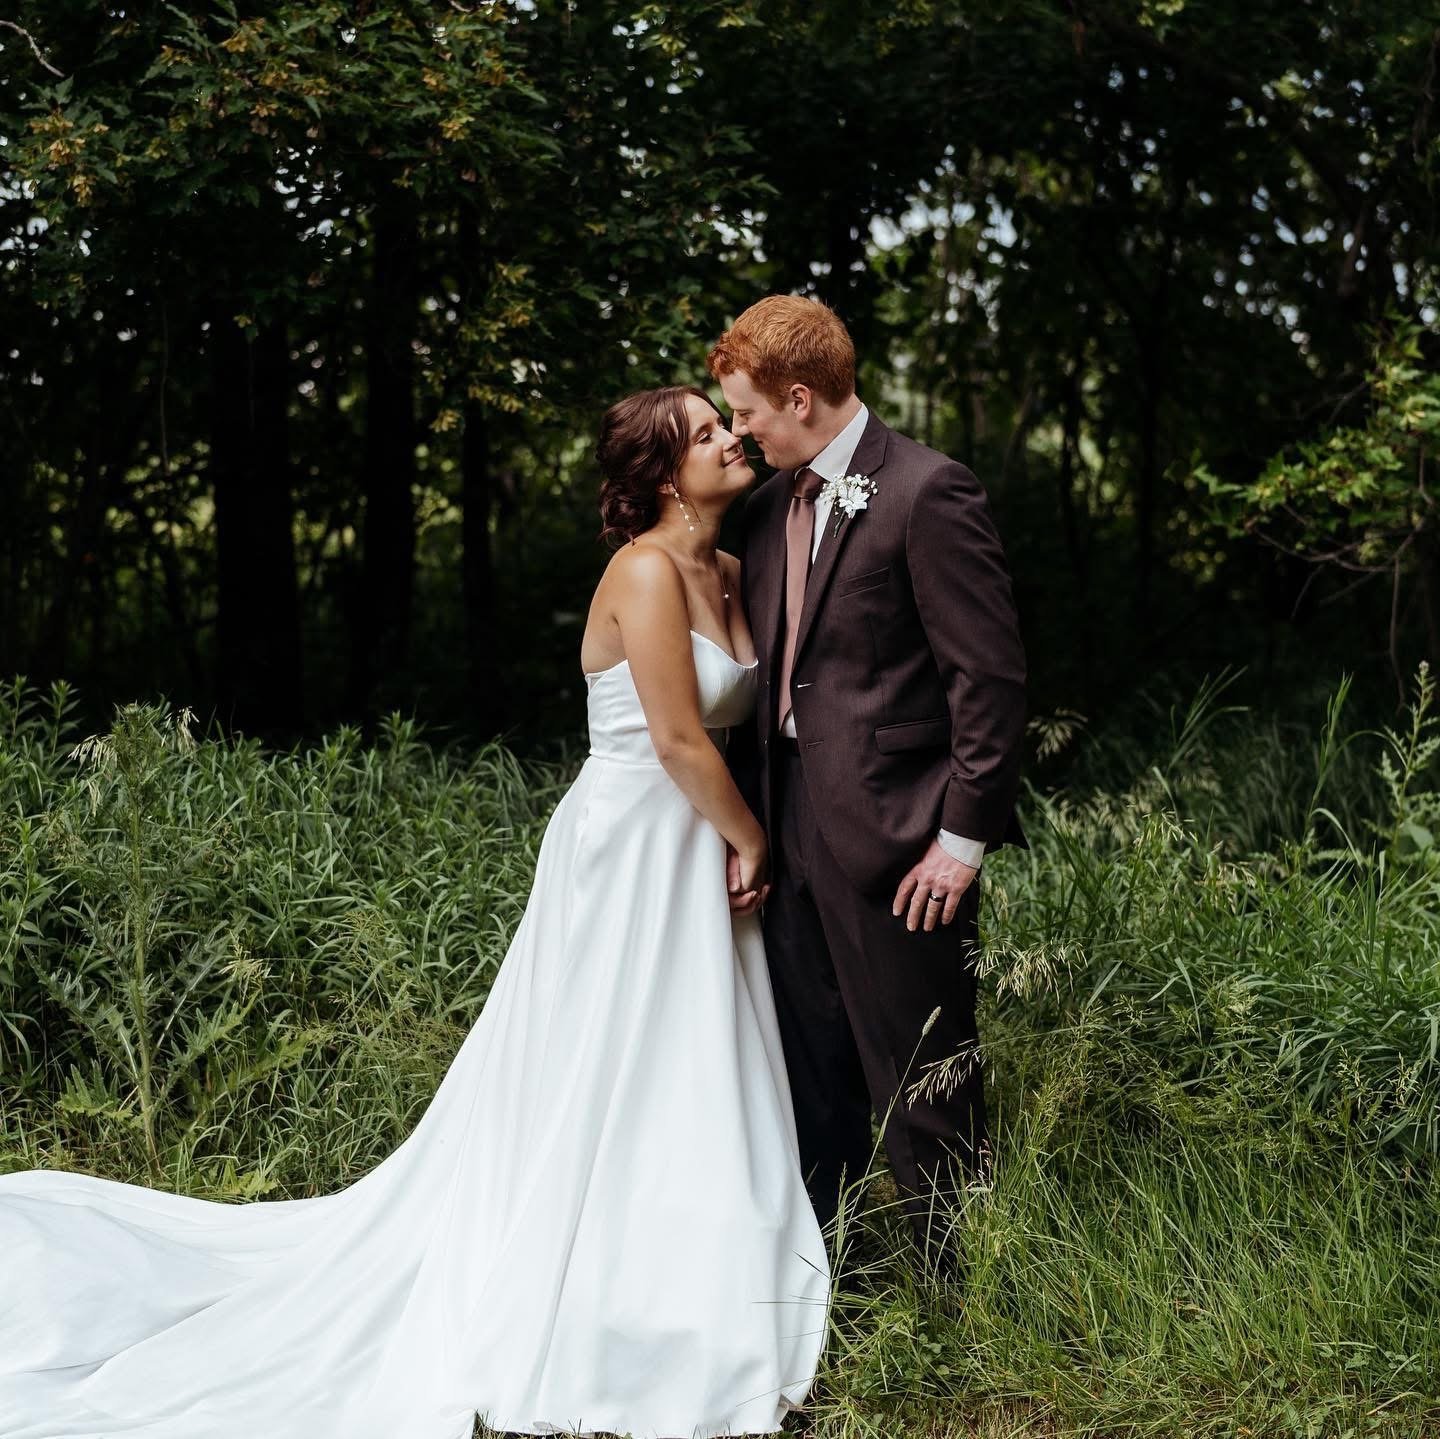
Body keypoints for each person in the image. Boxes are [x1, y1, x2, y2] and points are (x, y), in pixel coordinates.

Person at [0, 385, 830, 1439]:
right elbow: (674, 737)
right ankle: (581, 1268)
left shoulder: (727, 566)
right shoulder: (644, 569)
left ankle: (694, 1251)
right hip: (632, 842)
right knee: (604, 1052)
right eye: (707, 432)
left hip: (694, 838)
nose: (730, 438)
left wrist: (738, 829)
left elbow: (743, 714)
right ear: (666, 474)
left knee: (690, 1046)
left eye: (726, 423)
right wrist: (751, 836)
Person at [708, 296, 1027, 1252]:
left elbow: (991, 680)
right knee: (809, 1065)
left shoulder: (931, 492)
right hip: (784, 815)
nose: (739, 431)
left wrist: (959, 843)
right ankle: (828, 1282)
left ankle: (960, 1294)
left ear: (799, 397)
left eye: (748, 412)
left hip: (900, 833)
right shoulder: (765, 508)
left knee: (924, 1066)